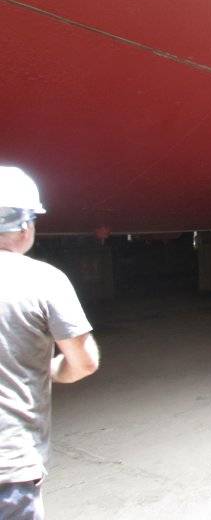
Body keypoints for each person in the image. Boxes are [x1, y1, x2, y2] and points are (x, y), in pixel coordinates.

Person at [0, 166, 100, 519]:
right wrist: (54, 369)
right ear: (25, 225)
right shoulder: (43, 280)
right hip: (9, 466)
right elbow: (83, 362)